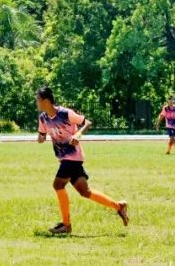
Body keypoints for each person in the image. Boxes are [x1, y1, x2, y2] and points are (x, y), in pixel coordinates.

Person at [35, 86, 129, 235]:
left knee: (58, 184)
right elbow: (42, 135)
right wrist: (41, 138)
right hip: (65, 159)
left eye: (38, 100)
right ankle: (119, 206)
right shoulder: (43, 118)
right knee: (85, 191)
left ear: (46, 101)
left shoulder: (65, 113)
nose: (37, 103)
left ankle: (66, 225)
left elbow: (87, 122)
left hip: (72, 157)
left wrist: (78, 134)